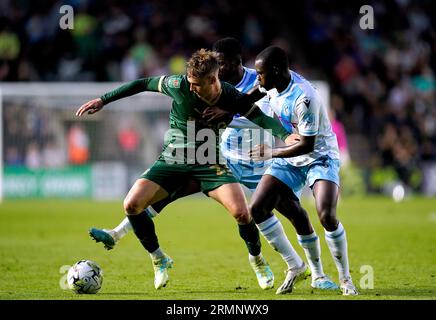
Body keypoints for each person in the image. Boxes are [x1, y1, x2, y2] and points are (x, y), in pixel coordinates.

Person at [90, 38, 338, 294]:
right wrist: (104, 100)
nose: (217, 69)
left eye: (221, 64)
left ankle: (300, 269)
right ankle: (129, 239)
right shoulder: (184, 84)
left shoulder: (260, 79)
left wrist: (285, 137)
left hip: (249, 161)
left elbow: (258, 113)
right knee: (153, 200)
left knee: (281, 212)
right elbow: (143, 84)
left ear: (230, 66)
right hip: (208, 156)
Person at [246, 46, 358, 295]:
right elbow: (250, 96)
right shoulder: (273, 82)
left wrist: (270, 152)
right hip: (291, 158)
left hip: (319, 157)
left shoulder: (304, 97)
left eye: (261, 74)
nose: (258, 79)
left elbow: (306, 145)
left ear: (275, 71)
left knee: (326, 216)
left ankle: (346, 279)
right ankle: (303, 269)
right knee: (257, 207)